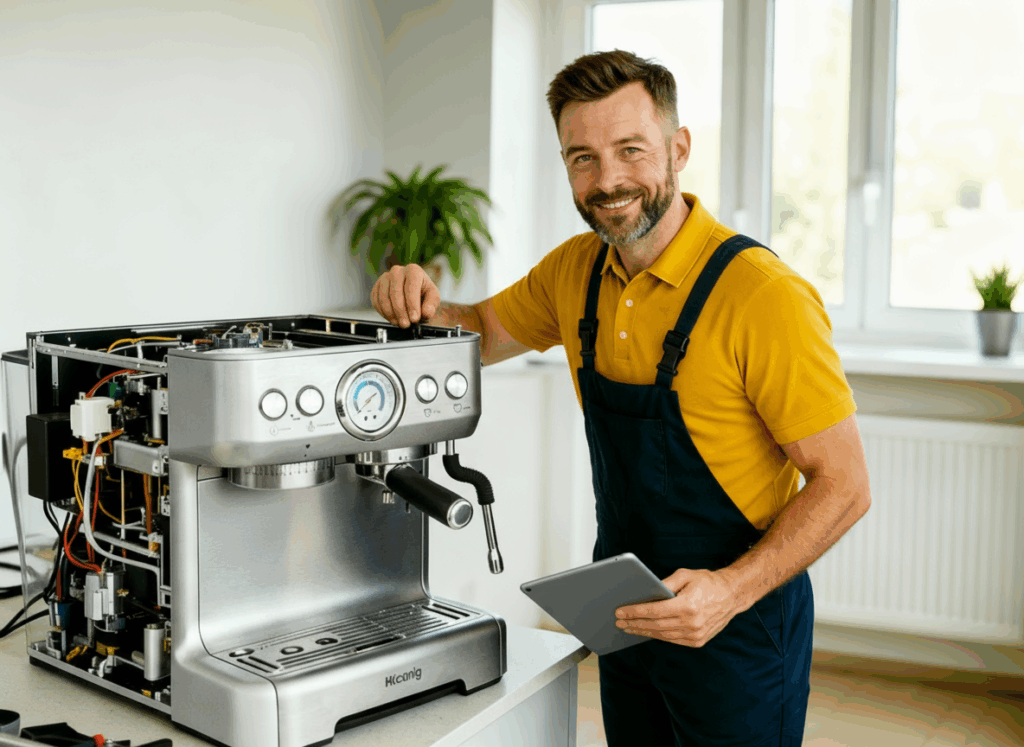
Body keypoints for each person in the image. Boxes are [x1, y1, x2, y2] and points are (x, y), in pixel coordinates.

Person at [371, 50, 871, 747]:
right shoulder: (573, 271)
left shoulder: (764, 296)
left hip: (738, 625)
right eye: (582, 157)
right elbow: (478, 331)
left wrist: (727, 591)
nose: (607, 181)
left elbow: (845, 484)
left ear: (678, 149)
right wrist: (419, 298)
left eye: (630, 150)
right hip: (627, 609)